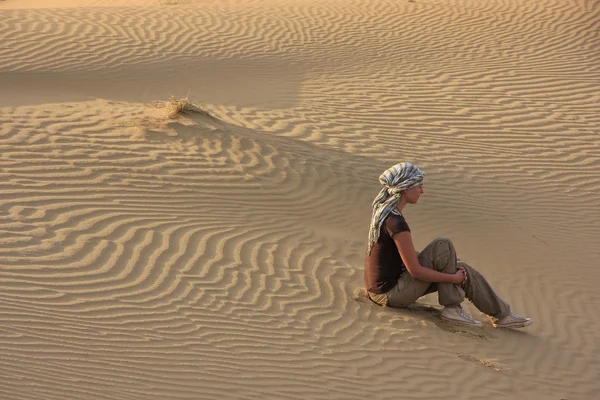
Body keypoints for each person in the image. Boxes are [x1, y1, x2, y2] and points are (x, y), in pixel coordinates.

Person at [364, 162, 532, 328]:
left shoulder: (385, 214)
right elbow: (415, 271)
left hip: (386, 289)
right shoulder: (395, 222)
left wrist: (447, 265)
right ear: (406, 188)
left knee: (458, 265)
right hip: (390, 295)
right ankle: (452, 308)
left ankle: (502, 315)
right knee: (443, 245)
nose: (422, 191)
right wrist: (452, 277)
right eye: (419, 186)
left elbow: (400, 255)